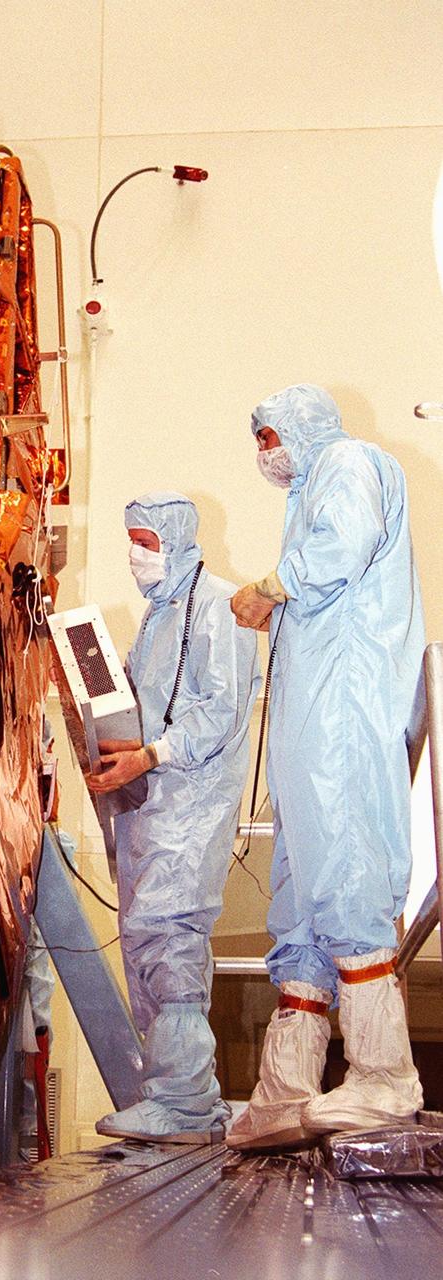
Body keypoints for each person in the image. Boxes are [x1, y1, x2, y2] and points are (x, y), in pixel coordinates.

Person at [228, 383, 425, 1151]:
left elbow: (342, 545)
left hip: (345, 708)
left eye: (271, 435)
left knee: (344, 869)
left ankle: (384, 1074)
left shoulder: (346, 460)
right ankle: (287, 1087)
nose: (265, 452)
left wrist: (272, 586)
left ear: (304, 430)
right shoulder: (310, 487)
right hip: (313, 717)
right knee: (302, 895)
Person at [87, 492, 260, 1141]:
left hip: (190, 808)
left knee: (170, 937)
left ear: (179, 540)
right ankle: (174, 1093)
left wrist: (152, 754)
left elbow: (218, 712)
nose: (136, 553)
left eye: (148, 541)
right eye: (130, 538)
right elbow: (141, 706)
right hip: (151, 809)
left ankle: (185, 1098)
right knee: (146, 942)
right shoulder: (157, 617)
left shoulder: (221, 606)